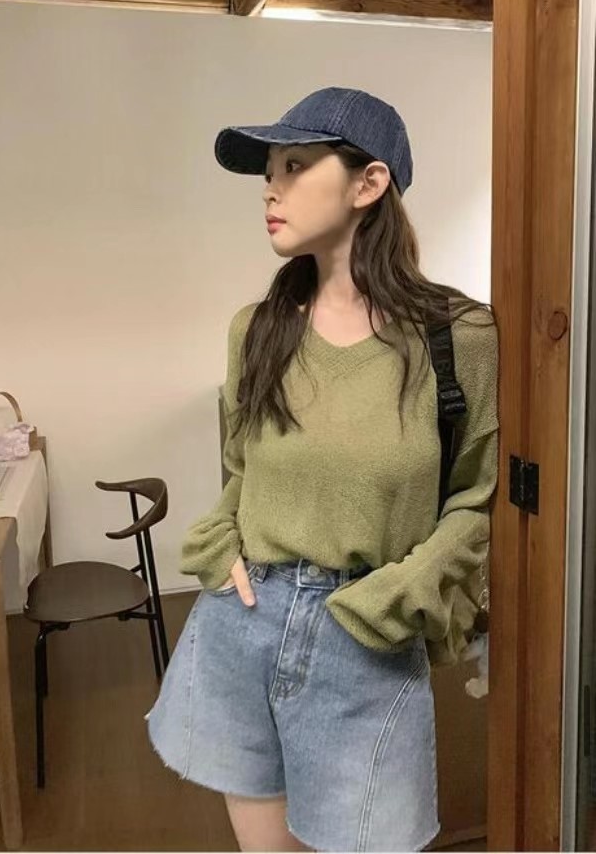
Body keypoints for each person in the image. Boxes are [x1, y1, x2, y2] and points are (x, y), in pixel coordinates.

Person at [146, 86, 499, 853]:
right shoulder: (258, 329)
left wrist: (401, 591)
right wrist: (220, 545)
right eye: (268, 171)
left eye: (295, 165)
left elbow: (478, 495)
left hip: (365, 640)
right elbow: (240, 470)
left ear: (368, 184)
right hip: (243, 622)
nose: (270, 189)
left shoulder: (458, 337)